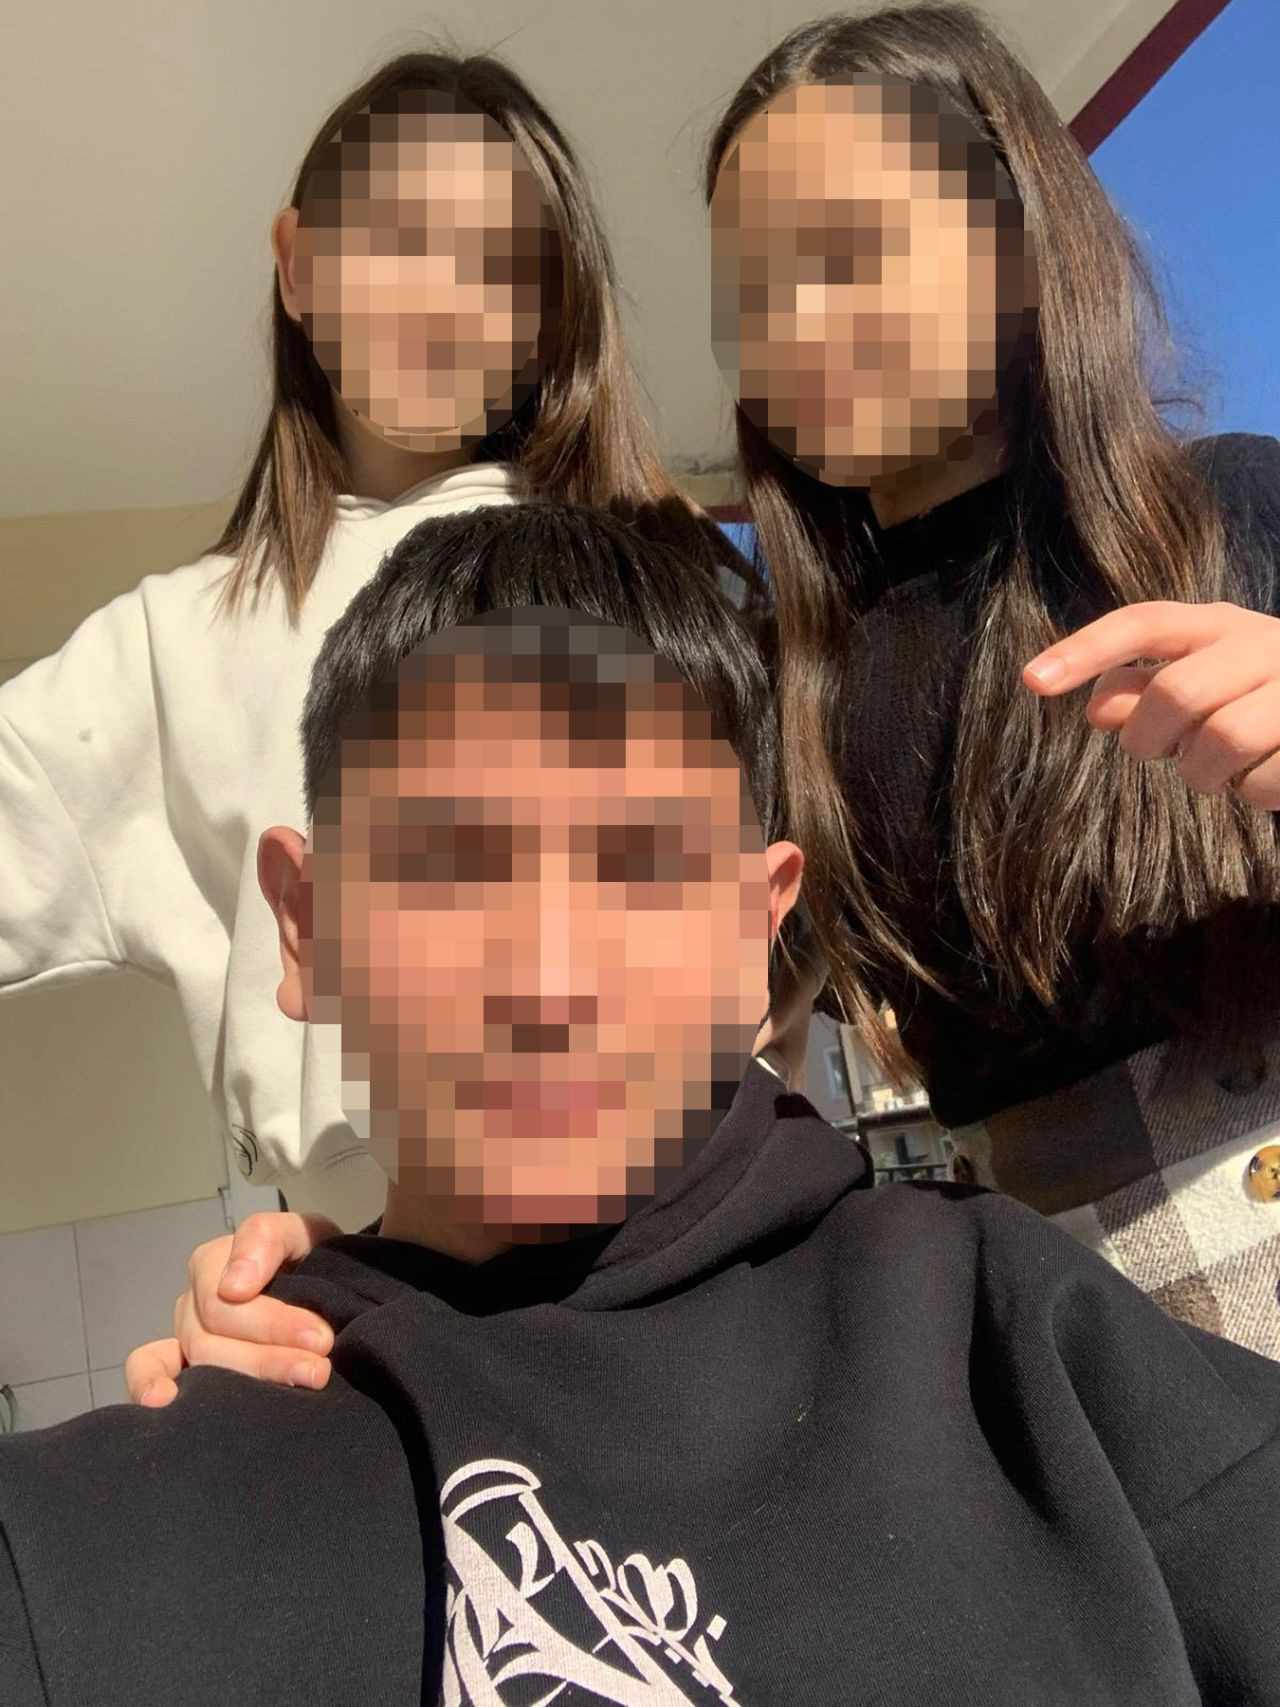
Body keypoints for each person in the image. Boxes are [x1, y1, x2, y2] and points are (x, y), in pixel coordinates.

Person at [5, 504, 1279, 1707]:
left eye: (639, 870)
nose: (549, 980)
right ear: (305, 927)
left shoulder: (1008, 1341)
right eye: (450, 863)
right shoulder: (116, 1536)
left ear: (752, 935)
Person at [0, 46, 736, 1235]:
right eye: (396, 238)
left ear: (549, 312)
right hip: (381, 1264)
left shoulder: (656, 560)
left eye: (497, 262)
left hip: (691, 1222)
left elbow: (812, 880)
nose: (440, 293)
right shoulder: (170, 644)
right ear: (298, 266)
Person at [705, 2, 1280, 1355]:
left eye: (849, 250)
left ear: (1019, 240)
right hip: (1042, 1344)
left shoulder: (1235, 512)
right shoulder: (787, 690)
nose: (797, 321)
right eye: (753, 290)